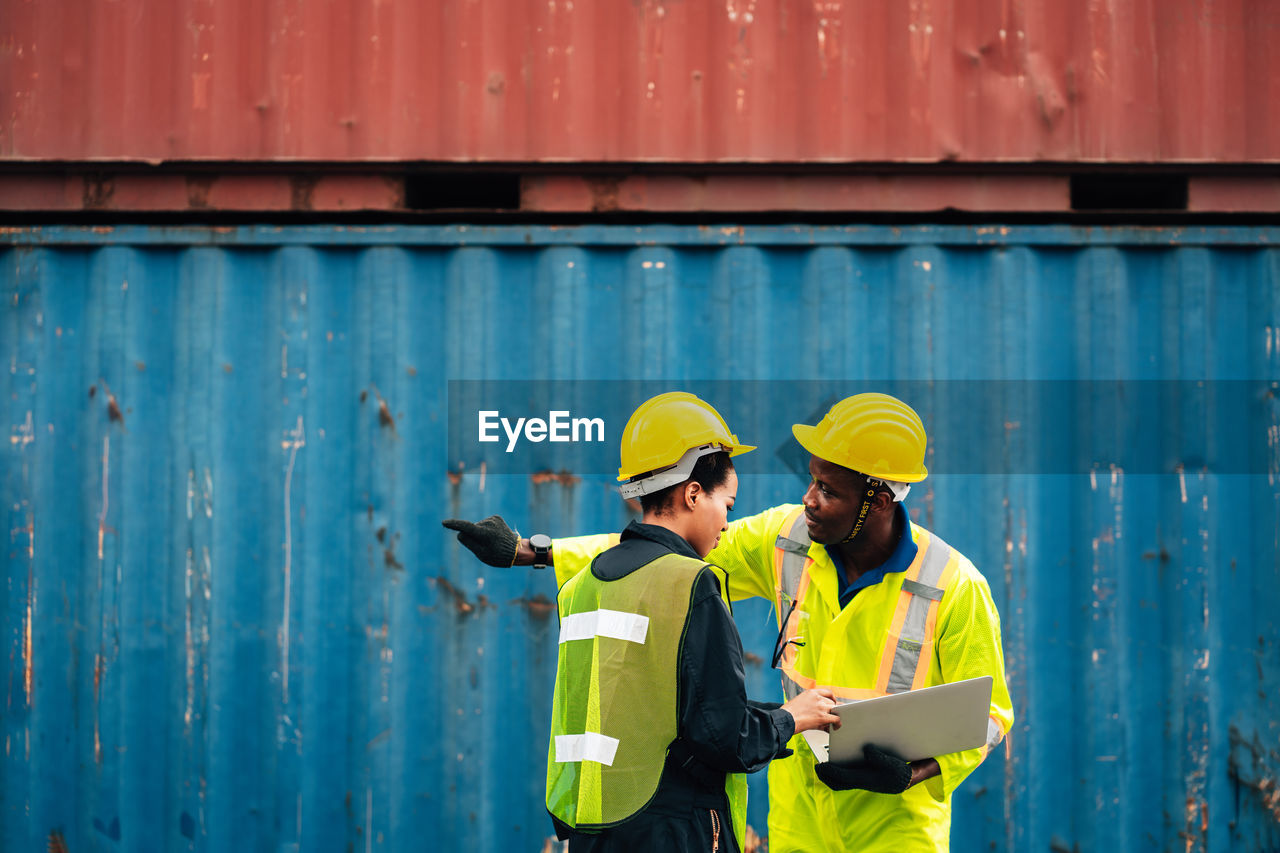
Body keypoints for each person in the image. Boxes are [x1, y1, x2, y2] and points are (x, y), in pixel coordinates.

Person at [448, 392, 1015, 851]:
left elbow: (990, 717)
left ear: (880, 501)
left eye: (829, 490)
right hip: (800, 816)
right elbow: (659, 556)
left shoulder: (953, 584)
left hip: (896, 830)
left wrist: (914, 773)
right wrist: (531, 550)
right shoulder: (787, 538)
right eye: (812, 479)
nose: (809, 499)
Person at [444, 392, 840, 852]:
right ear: (693, 493)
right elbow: (723, 737)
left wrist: (529, 551)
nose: (728, 525)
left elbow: (656, 714)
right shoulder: (693, 582)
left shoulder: (584, 585)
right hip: (676, 831)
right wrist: (791, 718)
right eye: (727, 506)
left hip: (595, 828)